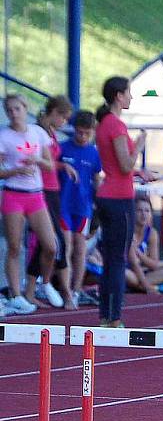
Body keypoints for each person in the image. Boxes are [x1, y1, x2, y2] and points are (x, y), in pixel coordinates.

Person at [94, 76, 157, 327]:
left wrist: (139, 173)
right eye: (128, 93)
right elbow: (125, 163)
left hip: (112, 194)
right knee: (118, 259)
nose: (131, 97)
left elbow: (120, 167)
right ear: (118, 96)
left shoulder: (105, 124)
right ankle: (113, 316)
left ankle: (107, 315)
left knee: (113, 258)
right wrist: (139, 146)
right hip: (118, 198)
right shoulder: (115, 126)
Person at [0, 94, 58, 315]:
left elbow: (50, 166)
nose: (14, 114)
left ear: (26, 109)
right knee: (15, 246)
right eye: (10, 110)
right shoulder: (4, 136)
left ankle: (45, 282)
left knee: (50, 245)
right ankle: (16, 294)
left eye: (17, 109)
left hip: (36, 195)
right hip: (14, 194)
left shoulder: (37, 133)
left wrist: (37, 161)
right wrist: (16, 170)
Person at [24, 95, 76, 309]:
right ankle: (56, 289)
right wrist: (61, 166)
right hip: (42, 189)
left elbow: (51, 161)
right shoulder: (36, 131)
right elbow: (39, 160)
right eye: (63, 117)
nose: (64, 122)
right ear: (53, 112)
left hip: (53, 190)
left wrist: (62, 167)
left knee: (52, 243)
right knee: (56, 242)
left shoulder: (50, 133)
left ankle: (39, 289)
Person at [59, 109, 102, 304]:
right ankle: (66, 291)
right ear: (74, 130)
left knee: (80, 248)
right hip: (63, 205)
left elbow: (96, 180)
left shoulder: (94, 154)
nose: (82, 136)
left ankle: (76, 289)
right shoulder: (62, 149)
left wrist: (100, 205)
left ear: (93, 132)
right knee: (66, 247)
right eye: (79, 132)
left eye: (87, 133)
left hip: (83, 207)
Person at [125, 197, 163, 293]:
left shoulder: (152, 233)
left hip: (143, 272)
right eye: (139, 210)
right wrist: (149, 288)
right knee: (126, 274)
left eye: (147, 211)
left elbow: (153, 264)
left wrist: (139, 253)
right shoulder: (127, 231)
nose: (143, 214)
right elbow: (134, 264)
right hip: (127, 271)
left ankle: (138, 286)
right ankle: (147, 286)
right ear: (133, 213)